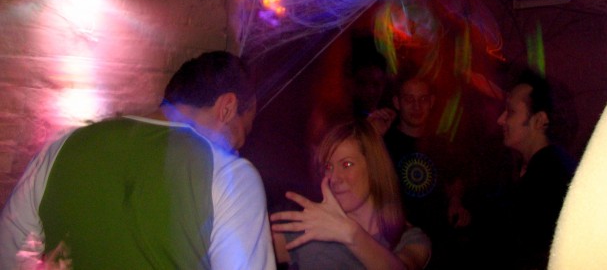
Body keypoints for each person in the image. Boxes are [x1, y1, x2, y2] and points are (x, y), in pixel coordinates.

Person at [0, 51, 276, 270]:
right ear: (227, 108)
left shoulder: (63, 146)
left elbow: (9, 254)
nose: (237, 150)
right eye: (241, 135)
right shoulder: (231, 175)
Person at [270, 119, 431, 270]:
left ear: (373, 167)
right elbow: (256, 243)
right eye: (328, 167)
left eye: (346, 164)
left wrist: (351, 234)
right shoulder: (311, 227)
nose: (334, 178)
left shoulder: (407, 238)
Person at [493, 69, 577, 270]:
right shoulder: (539, 168)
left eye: (510, 112)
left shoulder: (549, 178)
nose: (500, 120)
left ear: (539, 120)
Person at [383, 77, 470, 268]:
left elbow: (455, 177)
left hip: (439, 241)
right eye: (409, 99)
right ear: (397, 102)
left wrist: (456, 201)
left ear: (431, 102)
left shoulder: (441, 144)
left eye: (423, 99)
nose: (417, 106)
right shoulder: (384, 143)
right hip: (399, 242)